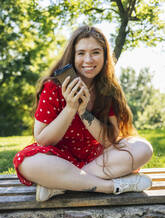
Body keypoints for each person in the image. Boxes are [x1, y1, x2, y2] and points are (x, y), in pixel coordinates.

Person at [13, 25, 153, 202]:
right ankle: (112, 187)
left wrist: (82, 111)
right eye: (81, 53)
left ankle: (61, 184)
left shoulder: (108, 89)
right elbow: (42, 140)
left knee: (143, 148)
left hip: (95, 158)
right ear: (72, 56)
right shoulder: (53, 87)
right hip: (57, 159)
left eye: (95, 52)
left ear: (104, 56)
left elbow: (109, 140)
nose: (88, 59)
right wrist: (70, 108)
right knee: (27, 162)